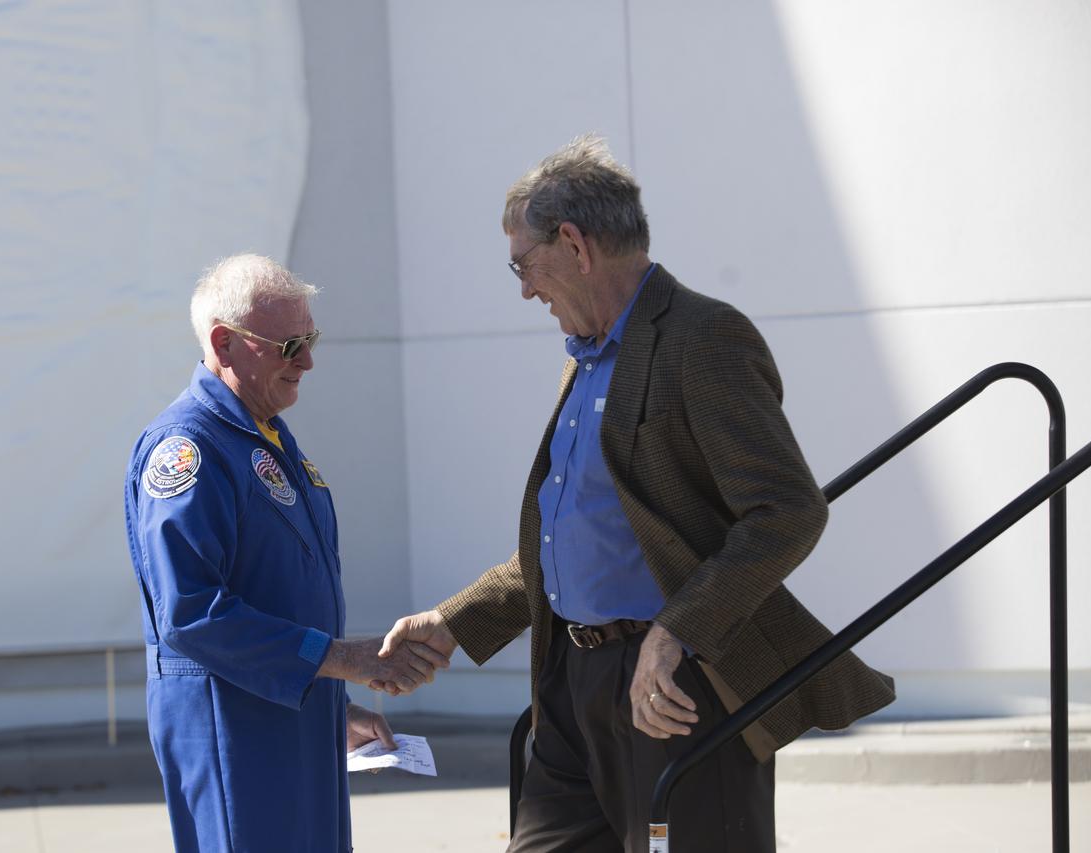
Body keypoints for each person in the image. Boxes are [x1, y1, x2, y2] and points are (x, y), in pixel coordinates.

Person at [378, 136, 895, 852]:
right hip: (571, 683)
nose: (525, 287)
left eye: (524, 264)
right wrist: (455, 620)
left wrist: (678, 627)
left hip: (676, 682)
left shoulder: (702, 337)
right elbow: (575, 536)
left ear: (574, 245)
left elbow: (788, 511)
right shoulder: (586, 357)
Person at [124, 254, 445, 852]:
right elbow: (191, 613)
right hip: (235, 732)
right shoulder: (188, 449)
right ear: (225, 343)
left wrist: (333, 698)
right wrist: (341, 659)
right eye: (290, 344)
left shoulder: (259, 431)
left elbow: (279, 590)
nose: (308, 360)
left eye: (311, 338)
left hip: (292, 717)